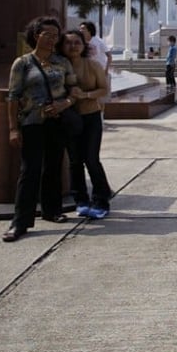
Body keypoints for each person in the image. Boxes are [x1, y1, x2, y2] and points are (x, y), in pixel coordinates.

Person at [2, 16, 76, 242]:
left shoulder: (62, 62)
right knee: (30, 170)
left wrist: (65, 103)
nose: (52, 39)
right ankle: (20, 222)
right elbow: (13, 97)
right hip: (32, 122)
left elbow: (73, 90)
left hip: (57, 122)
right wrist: (13, 129)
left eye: (56, 36)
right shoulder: (22, 63)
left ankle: (52, 210)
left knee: (53, 167)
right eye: (48, 35)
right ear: (36, 35)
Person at [59, 30, 113, 219]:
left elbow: (103, 89)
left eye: (77, 43)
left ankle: (101, 199)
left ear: (84, 45)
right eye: (68, 43)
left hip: (90, 116)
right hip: (69, 118)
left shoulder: (93, 65)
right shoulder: (59, 67)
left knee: (91, 159)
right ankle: (80, 200)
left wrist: (86, 95)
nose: (73, 46)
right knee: (75, 161)